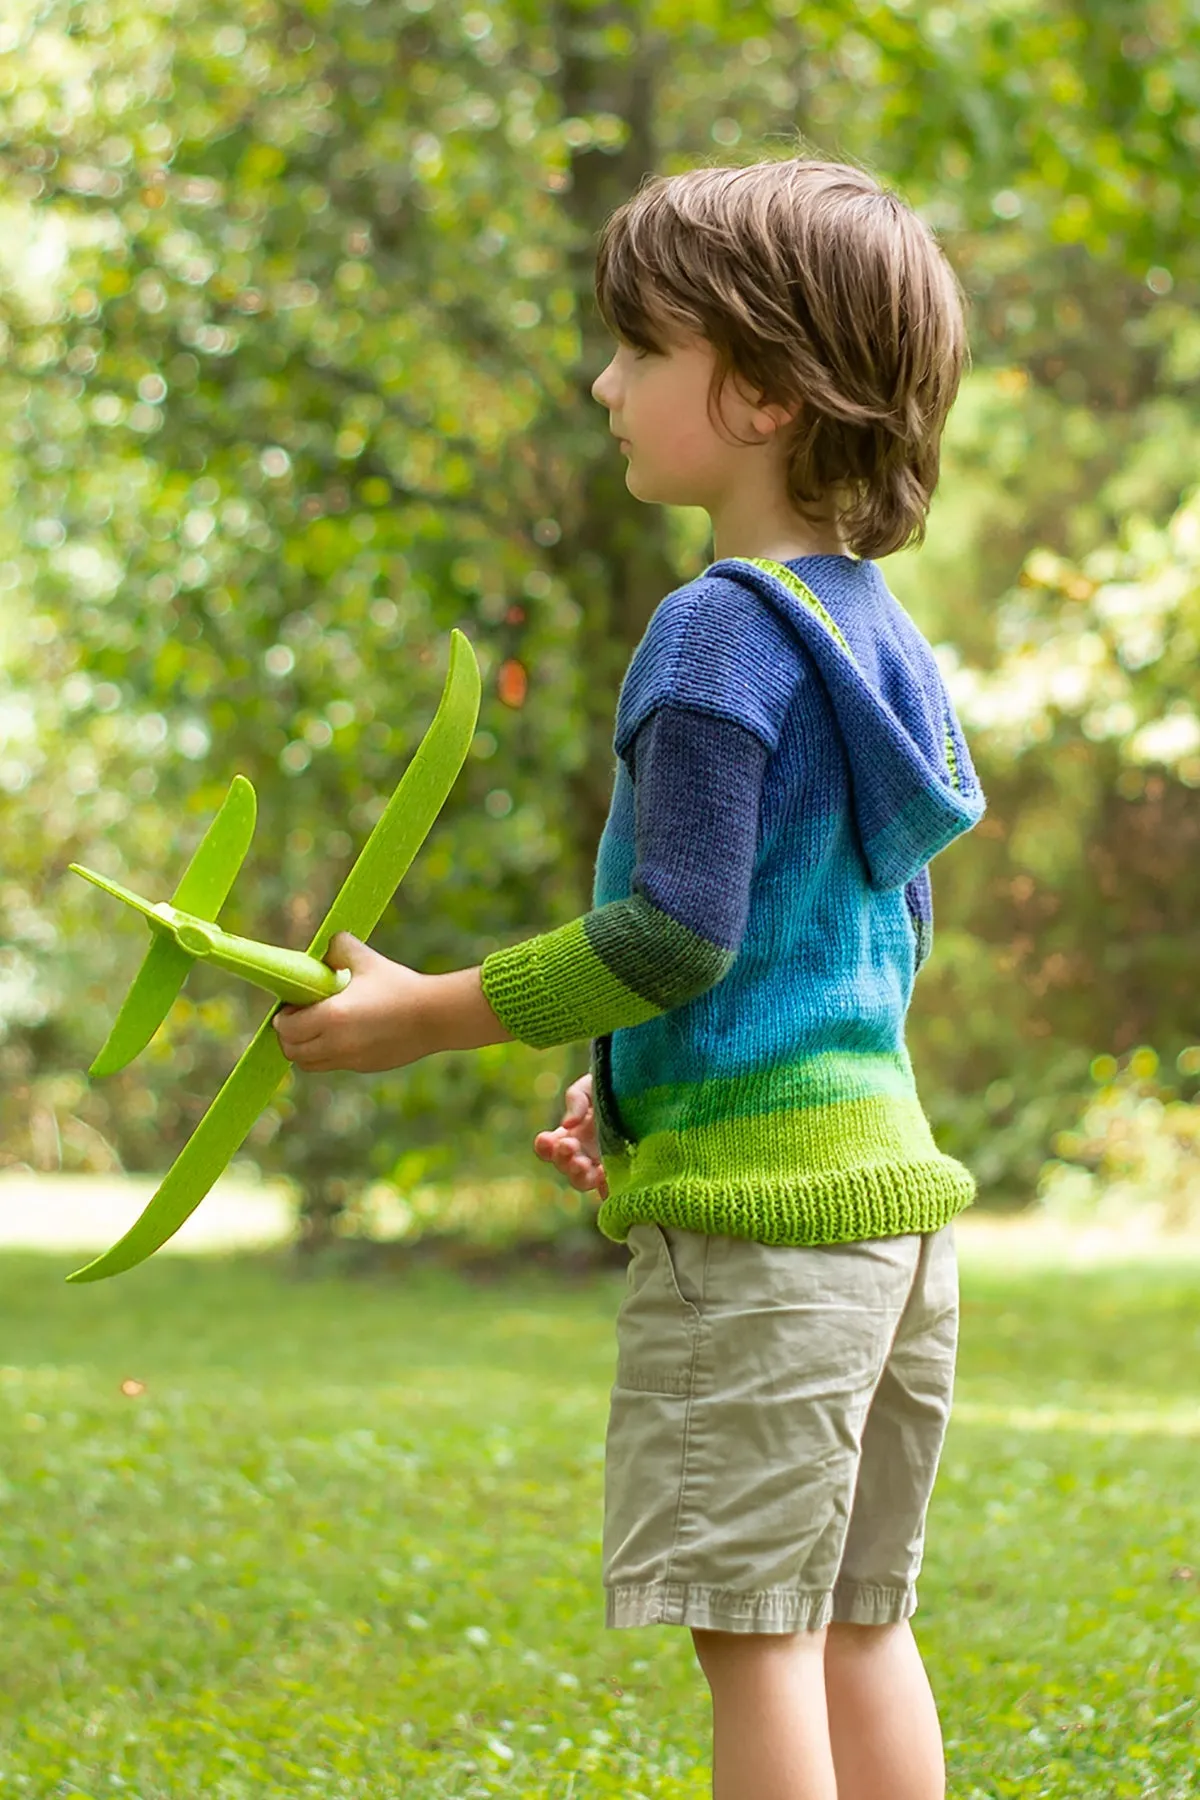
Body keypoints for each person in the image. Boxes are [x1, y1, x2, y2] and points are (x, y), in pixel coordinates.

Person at [274, 154, 986, 1800]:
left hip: (763, 1234)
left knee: (754, 1638)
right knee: (860, 1622)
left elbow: (675, 931)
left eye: (637, 349)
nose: (604, 381)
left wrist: (423, 1014)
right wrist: (646, 1075)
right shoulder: (875, 632)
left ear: (754, 392)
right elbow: (857, 938)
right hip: (890, 1202)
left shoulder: (719, 631)